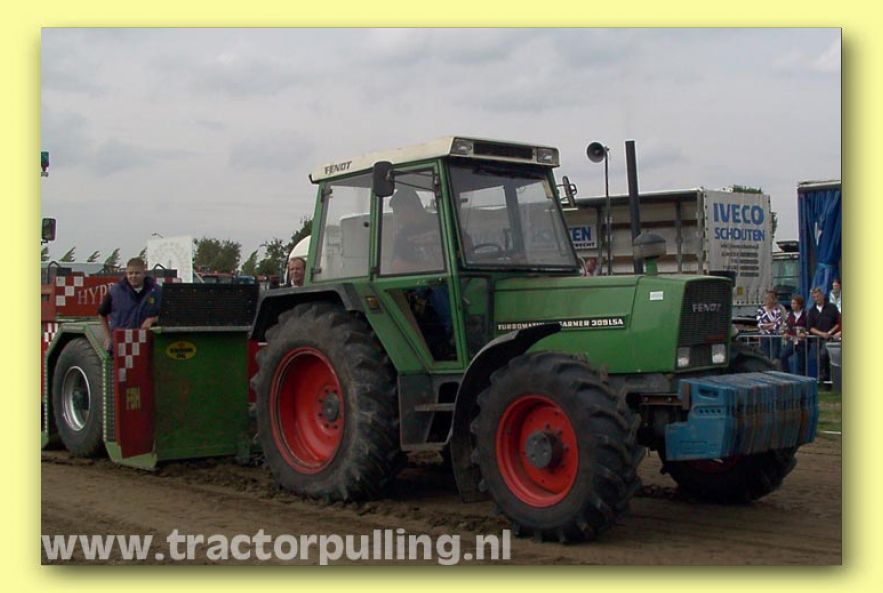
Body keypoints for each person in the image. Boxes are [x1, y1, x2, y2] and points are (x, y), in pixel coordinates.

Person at [97, 257, 162, 350]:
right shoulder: (115, 291)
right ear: (126, 274)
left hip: (149, 343)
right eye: (130, 273)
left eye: (137, 273)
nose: (133, 276)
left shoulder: (157, 291)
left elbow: (169, 315)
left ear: (144, 273)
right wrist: (108, 337)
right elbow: (101, 314)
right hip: (122, 344)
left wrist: (152, 319)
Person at [389, 187, 443, 274]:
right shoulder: (403, 235)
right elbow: (397, 266)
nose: (397, 217)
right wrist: (432, 267)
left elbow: (465, 246)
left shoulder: (442, 223)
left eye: (398, 212)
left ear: (410, 208)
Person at [807, 286, 841, 383]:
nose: (816, 299)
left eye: (818, 296)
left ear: (822, 295)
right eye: (814, 297)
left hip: (831, 338)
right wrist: (821, 334)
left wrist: (829, 333)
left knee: (825, 355)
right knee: (820, 358)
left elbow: (838, 323)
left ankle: (827, 379)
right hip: (817, 339)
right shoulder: (812, 311)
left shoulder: (832, 308)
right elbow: (810, 327)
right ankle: (824, 379)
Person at [779, 294, 808, 374]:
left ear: (799, 304)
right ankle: (787, 374)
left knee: (801, 364)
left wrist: (805, 333)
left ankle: (801, 378)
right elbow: (784, 326)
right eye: (792, 303)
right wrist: (784, 333)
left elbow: (809, 326)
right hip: (792, 340)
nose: (792, 305)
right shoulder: (789, 315)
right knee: (783, 356)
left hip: (802, 341)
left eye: (794, 303)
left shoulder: (806, 314)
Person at [756, 289, 784, 360]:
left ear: (774, 300)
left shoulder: (777, 311)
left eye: (769, 299)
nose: (767, 301)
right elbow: (760, 325)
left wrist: (767, 324)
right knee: (765, 357)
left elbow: (777, 325)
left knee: (774, 357)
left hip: (775, 337)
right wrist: (772, 324)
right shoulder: (760, 310)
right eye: (766, 299)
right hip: (764, 336)